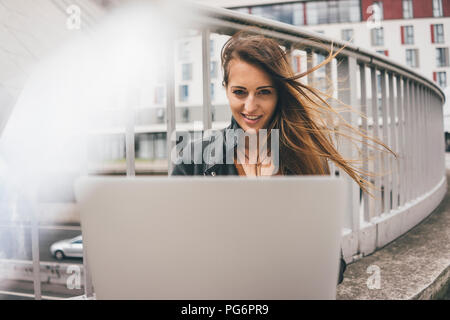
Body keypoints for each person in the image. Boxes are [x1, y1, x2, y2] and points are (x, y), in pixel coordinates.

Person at [171, 31, 395, 284]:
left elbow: (333, 269)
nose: (250, 106)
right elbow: (175, 255)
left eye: (264, 92)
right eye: (240, 92)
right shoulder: (193, 158)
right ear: (225, 89)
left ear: (279, 93)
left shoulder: (305, 158)